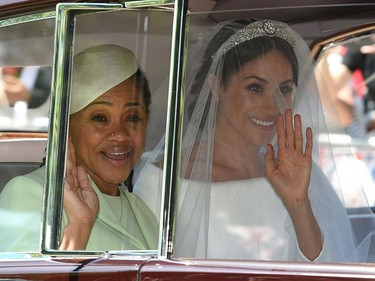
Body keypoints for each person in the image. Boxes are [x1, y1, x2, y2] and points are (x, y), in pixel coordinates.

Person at [135, 19, 374, 262]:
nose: (273, 106)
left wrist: (298, 203)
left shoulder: (300, 176)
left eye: (284, 89)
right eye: (255, 88)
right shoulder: (162, 183)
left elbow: (328, 270)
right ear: (217, 86)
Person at [0, 44, 158, 252]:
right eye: (100, 118)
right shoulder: (30, 193)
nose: (120, 134)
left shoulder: (142, 211)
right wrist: (79, 227)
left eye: (132, 117)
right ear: (66, 128)